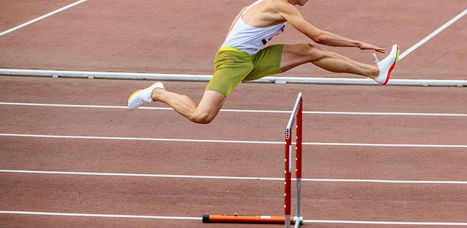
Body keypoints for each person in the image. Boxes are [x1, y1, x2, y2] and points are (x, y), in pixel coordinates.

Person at [128, 0, 399, 124]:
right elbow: (318, 34)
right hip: (233, 61)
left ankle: (375, 71)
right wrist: (358, 43)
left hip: (250, 57)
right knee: (202, 116)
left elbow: (238, 21)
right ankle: (156, 92)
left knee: (308, 50)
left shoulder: (262, 5)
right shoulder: (281, 6)